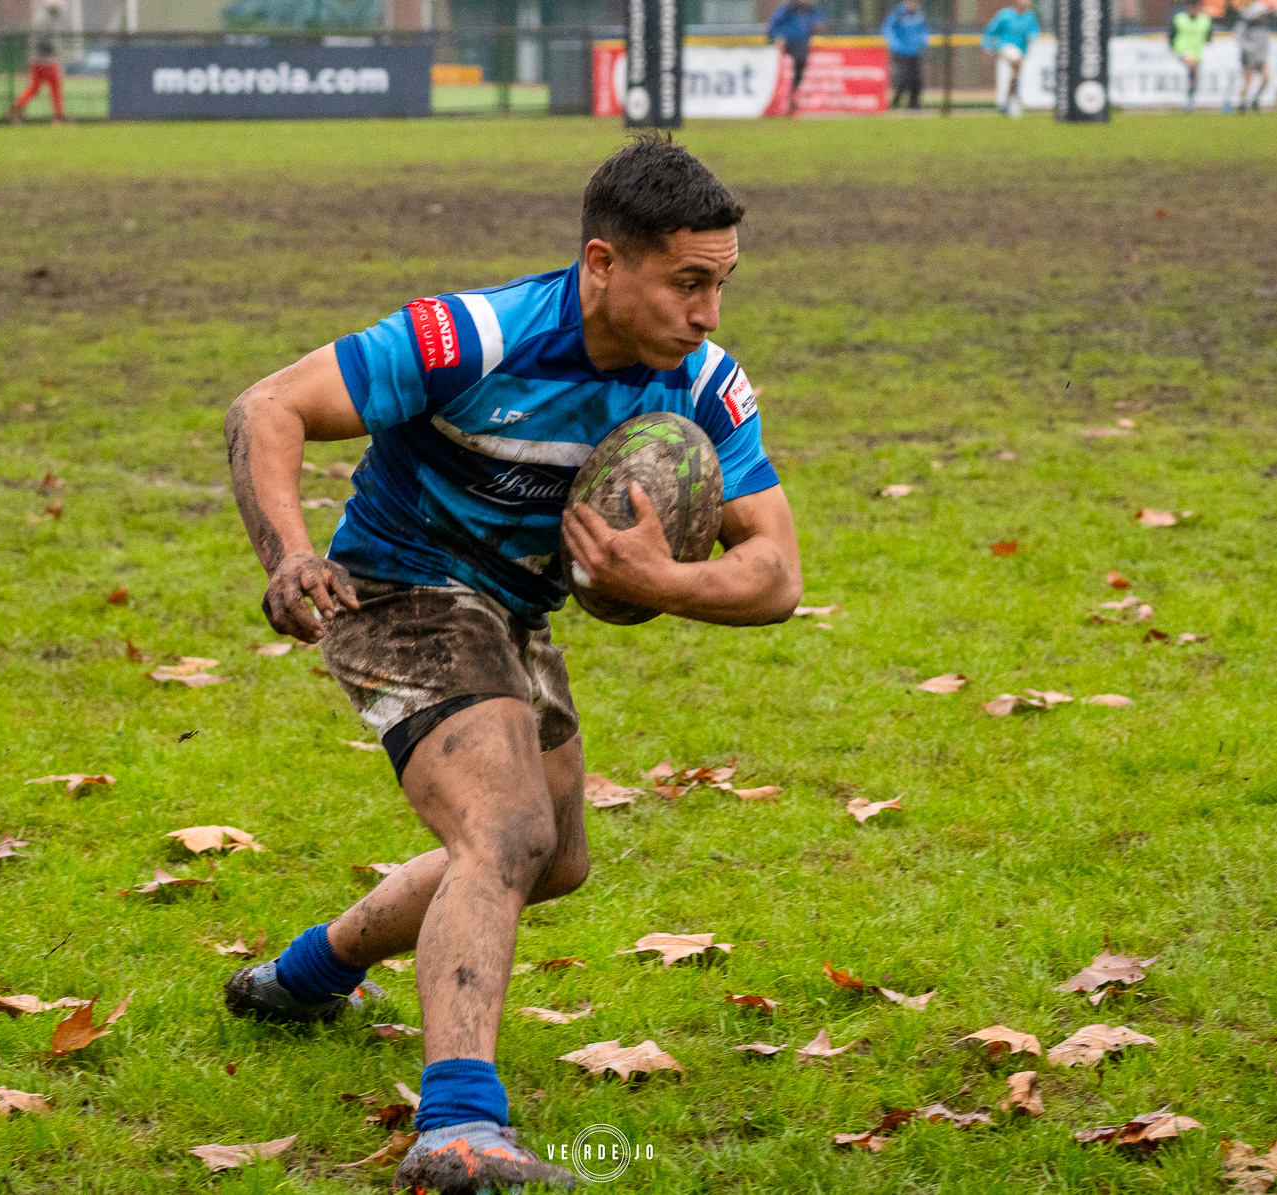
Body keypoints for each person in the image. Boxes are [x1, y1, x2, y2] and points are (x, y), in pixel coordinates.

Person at [220, 134, 801, 1191]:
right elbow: (269, 406)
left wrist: (660, 581)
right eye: (688, 283)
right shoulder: (473, 336)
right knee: (506, 828)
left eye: (720, 285)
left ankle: (308, 976)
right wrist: (290, 552)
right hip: (396, 589)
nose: (709, 314)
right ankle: (456, 1131)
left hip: (512, 615)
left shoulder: (703, 386)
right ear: (602, 264)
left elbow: (777, 574)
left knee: (556, 858)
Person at [8, 0, 68, 124]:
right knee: (55, 86)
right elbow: (46, 41)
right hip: (46, 60)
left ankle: (18, 106)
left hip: (37, 59)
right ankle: (58, 116)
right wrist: (54, 50)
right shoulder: (47, 21)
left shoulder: (42, 19)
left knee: (34, 88)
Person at [768, 0, 828, 115]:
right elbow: (774, 25)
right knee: (794, 68)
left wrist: (819, 25)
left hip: (803, 44)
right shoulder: (788, 9)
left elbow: (819, 21)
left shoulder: (811, 10)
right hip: (789, 43)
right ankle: (789, 98)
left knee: (799, 71)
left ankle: (793, 97)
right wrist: (777, 37)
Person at [982, 0, 1039, 117]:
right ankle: (1010, 96)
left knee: (1009, 79)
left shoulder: (1030, 17)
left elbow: (1034, 34)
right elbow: (990, 31)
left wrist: (1032, 38)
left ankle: (1007, 102)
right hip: (1005, 49)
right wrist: (987, 46)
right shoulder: (1005, 15)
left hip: (1022, 52)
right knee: (1014, 58)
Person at [883, 0, 929, 110]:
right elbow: (888, 29)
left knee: (916, 78)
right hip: (901, 51)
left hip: (915, 50)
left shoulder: (919, 13)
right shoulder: (898, 12)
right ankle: (896, 101)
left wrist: (923, 40)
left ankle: (914, 104)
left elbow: (923, 30)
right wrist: (895, 44)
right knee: (904, 77)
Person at [1170, 0, 1212, 114]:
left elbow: (1209, 37)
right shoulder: (1180, 19)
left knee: (1194, 78)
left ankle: (1190, 102)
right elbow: (1171, 35)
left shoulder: (1205, 20)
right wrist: (1172, 48)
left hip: (1197, 52)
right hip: (1182, 49)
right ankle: (1189, 102)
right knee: (1192, 66)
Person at [1235, 0, 1273, 113]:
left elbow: (1265, 43)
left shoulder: (1264, 25)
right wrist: (1250, 50)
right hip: (1248, 56)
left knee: (1266, 78)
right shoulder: (1245, 24)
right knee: (1248, 81)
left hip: (1260, 57)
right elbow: (1240, 40)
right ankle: (1242, 104)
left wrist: (1263, 54)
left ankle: (1255, 99)